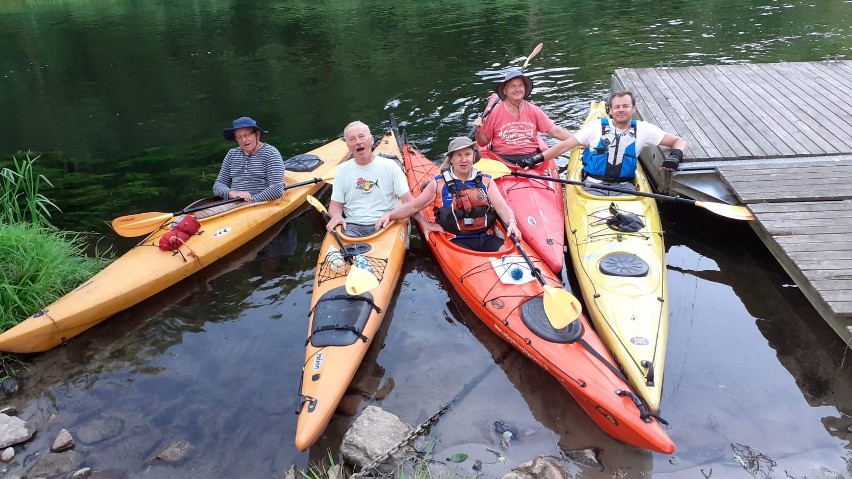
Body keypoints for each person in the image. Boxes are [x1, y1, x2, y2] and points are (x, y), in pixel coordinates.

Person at [533, 91, 689, 183]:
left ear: (633, 108)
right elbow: (564, 146)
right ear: (610, 111)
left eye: (625, 106)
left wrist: (675, 156)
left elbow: (679, 141)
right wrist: (536, 159)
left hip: (626, 187)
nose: (621, 110)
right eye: (617, 107)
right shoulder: (594, 127)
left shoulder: (644, 129)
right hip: (591, 185)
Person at [408, 137, 521, 252]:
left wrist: (512, 223)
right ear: (451, 159)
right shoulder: (438, 183)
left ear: (473, 157)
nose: (464, 159)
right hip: (454, 239)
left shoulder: (486, 181)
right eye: (458, 155)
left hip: (486, 237)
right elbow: (412, 207)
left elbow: (502, 208)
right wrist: (391, 216)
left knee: (510, 256)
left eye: (467, 154)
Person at [326, 121, 418, 237]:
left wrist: (424, 224)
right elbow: (335, 205)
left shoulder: (390, 166)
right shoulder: (341, 171)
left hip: (387, 222)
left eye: (361, 136)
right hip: (351, 225)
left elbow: (410, 203)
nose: (358, 142)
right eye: (352, 139)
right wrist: (336, 216)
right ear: (348, 146)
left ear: (371, 140)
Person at [472, 68, 572, 168]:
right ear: (505, 90)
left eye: (520, 86)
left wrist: (578, 140)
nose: (517, 89)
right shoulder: (495, 112)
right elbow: (483, 142)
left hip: (531, 159)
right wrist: (478, 131)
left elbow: (555, 131)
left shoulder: (533, 110)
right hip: (502, 160)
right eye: (513, 86)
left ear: (525, 89)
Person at [213, 116, 286, 202]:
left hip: (257, 205)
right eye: (239, 137)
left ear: (257, 134)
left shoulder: (271, 153)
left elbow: (276, 190)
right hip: (232, 203)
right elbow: (218, 185)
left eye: (246, 135)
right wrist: (232, 193)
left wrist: (250, 201)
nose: (244, 140)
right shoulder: (231, 154)